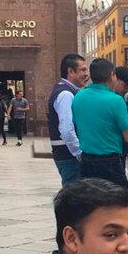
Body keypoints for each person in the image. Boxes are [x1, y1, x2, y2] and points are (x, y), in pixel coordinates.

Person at [73, 58, 128, 188]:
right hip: (109, 162)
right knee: (118, 203)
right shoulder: (116, 100)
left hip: (86, 160)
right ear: (112, 75)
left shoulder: (78, 97)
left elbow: (77, 127)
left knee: (91, 203)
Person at [47, 53, 88, 185]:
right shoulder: (65, 94)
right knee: (75, 198)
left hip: (66, 154)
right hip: (69, 156)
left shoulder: (68, 91)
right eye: (83, 70)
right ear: (70, 71)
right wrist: (79, 153)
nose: (86, 74)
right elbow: (66, 129)